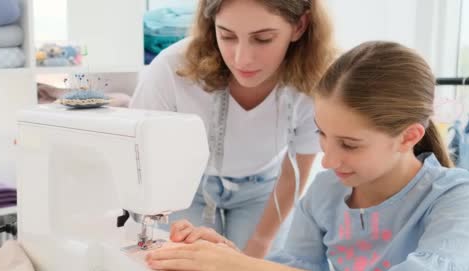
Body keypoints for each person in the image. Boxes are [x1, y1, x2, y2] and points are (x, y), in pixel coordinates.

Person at [146, 41, 469, 271]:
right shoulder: (328, 191)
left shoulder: (457, 199)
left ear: (408, 136)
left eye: (349, 144)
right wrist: (228, 260)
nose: (328, 160)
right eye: (322, 134)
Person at [130, 0, 335, 256]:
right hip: (185, 185)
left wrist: (261, 241)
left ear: (299, 26)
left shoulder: (318, 80)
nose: (242, 59)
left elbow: (296, 169)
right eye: (226, 36)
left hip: (263, 187)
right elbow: (142, 157)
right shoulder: (171, 69)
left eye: (263, 39)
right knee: (183, 270)